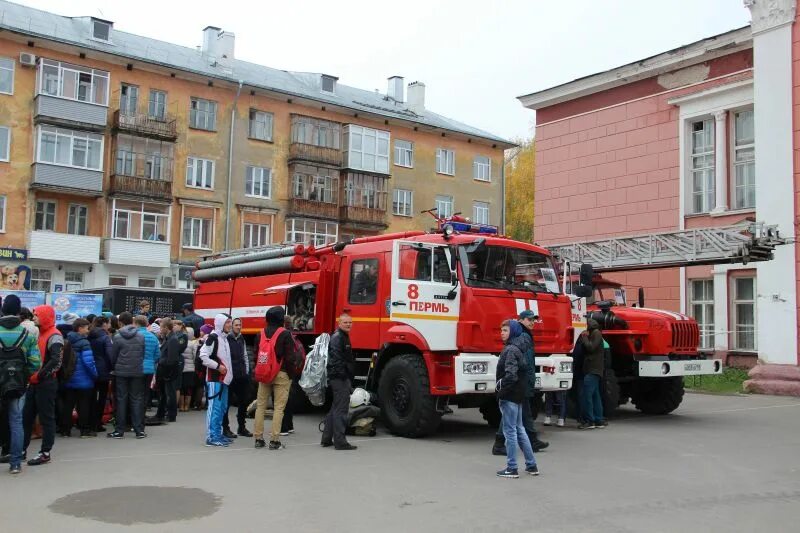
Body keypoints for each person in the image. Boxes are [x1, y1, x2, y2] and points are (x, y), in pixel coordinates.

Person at [492, 310, 549, 455]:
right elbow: (524, 363)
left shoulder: (524, 335)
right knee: (514, 415)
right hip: (519, 383)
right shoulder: (522, 336)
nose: (532, 322)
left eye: (534, 320)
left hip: (521, 382)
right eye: (529, 319)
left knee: (521, 414)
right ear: (521, 320)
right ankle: (502, 445)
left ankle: (530, 441)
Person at [0, 295, 41, 474]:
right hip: (18, 384)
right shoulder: (28, 334)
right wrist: (25, 375)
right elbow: (35, 362)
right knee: (16, 421)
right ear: (18, 311)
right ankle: (15, 463)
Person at [496, 320, 538, 478]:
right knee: (520, 430)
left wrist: (500, 388)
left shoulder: (511, 350)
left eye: (505, 330)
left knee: (510, 432)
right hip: (518, 395)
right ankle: (531, 465)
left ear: (512, 332)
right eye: (501, 330)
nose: (502, 333)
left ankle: (512, 467)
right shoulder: (519, 348)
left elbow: (511, 375)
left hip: (510, 396)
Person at [22, 305, 62, 466]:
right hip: (35, 381)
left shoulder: (55, 335)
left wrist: (39, 375)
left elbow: (56, 361)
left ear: (45, 316)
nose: (34, 318)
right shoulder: (41, 333)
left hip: (45, 382)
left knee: (46, 418)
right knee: (27, 417)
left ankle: (45, 452)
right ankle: (21, 450)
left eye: (37, 315)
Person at [253, 306, 293, 450]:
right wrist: (291, 374)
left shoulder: (260, 334)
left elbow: (256, 355)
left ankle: (258, 438)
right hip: (281, 374)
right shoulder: (285, 334)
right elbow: (289, 357)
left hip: (264, 374)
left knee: (261, 406)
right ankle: (274, 440)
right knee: (279, 408)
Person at [108, 312, 147, 439]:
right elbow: (142, 353)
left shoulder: (117, 337)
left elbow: (113, 356)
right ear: (132, 321)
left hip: (121, 372)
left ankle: (119, 430)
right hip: (137, 371)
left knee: (121, 400)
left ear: (121, 322)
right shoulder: (141, 336)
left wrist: (114, 367)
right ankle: (139, 430)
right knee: (136, 400)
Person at [321, 313, 357, 451]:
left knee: (335, 408)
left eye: (350, 322)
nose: (348, 324)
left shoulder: (341, 336)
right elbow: (336, 359)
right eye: (345, 322)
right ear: (339, 323)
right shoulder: (338, 337)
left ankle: (326, 438)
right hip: (339, 378)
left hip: (337, 377)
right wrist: (344, 376)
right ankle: (340, 442)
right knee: (341, 409)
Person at [199, 313, 233, 447]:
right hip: (214, 379)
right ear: (220, 323)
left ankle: (218, 434)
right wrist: (218, 367)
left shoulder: (224, 338)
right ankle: (211, 436)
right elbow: (203, 356)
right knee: (214, 408)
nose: (230, 325)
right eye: (227, 322)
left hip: (223, 380)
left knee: (222, 408)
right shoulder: (213, 338)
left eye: (230, 322)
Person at [60, 318, 98, 438]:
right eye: (86, 328)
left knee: (68, 404)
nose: (88, 330)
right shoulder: (84, 343)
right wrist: (95, 374)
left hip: (69, 378)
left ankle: (65, 429)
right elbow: (89, 362)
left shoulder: (67, 340)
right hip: (84, 380)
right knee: (83, 405)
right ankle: (84, 430)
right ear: (80, 328)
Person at [224, 318, 252, 439]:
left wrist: (246, 371)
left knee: (244, 401)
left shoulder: (241, 338)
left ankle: (242, 427)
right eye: (236, 325)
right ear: (232, 326)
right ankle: (225, 428)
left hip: (242, 375)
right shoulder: (226, 338)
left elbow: (245, 355)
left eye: (240, 325)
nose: (238, 327)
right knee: (227, 403)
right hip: (231, 376)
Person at [155, 318, 184, 423]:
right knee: (164, 393)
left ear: (166, 328)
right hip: (166, 370)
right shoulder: (168, 338)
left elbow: (171, 359)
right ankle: (161, 413)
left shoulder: (172, 340)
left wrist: (166, 371)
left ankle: (171, 415)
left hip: (169, 371)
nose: (160, 329)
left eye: (161, 327)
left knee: (170, 393)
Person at [578, 318, 605, 429]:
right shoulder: (596, 333)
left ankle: (590, 421)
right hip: (595, 370)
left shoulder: (596, 333)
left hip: (593, 369)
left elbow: (591, 347)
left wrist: (584, 337)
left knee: (587, 395)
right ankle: (598, 420)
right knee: (595, 396)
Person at [88, 316, 113, 433]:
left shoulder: (88, 335)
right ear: (104, 324)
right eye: (108, 323)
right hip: (103, 370)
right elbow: (109, 354)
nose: (109, 326)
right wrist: (112, 367)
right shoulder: (105, 337)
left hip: (90, 369)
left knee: (91, 397)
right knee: (102, 398)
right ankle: (97, 423)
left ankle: (88, 422)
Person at [134, 315, 160, 410]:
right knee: (145, 392)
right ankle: (142, 413)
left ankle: (135, 415)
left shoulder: (134, 335)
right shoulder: (153, 337)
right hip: (149, 369)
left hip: (136, 368)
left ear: (136, 323)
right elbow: (157, 355)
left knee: (136, 393)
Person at [180, 326, 197, 412]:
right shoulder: (193, 344)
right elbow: (194, 356)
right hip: (190, 369)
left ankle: (181, 406)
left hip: (182, 368)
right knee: (189, 389)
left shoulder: (181, 341)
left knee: (182, 388)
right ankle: (187, 406)